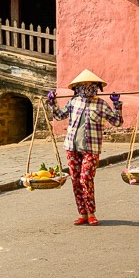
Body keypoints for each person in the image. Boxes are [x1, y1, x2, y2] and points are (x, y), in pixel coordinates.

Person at [46, 69, 123, 227]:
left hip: (91, 148)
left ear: (97, 88)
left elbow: (117, 122)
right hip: (72, 147)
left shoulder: (101, 104)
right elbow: (59, 116)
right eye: (84, 86)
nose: (88, 88)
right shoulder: (73, 102)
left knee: (85, 179)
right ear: (77, 88)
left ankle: (91, 213)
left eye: (91, 85)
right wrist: (52, 102)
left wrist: (116, 105)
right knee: (75, 181)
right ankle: (82, 213)